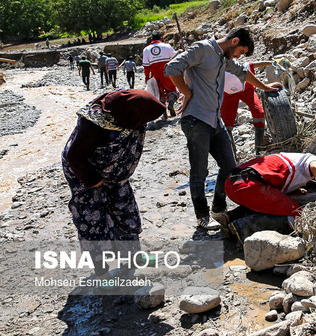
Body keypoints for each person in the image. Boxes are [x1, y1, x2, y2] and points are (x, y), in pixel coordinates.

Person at [165, 27, 281, 230]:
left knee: (230, 167)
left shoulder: (224, 58)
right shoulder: (202, 49)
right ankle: (202, 218)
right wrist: (186, 92)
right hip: (196, 119)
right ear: (234, 41)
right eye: (241, 52)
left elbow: (244, 72)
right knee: (199, 170)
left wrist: (266, 88)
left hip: (215, 120)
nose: (239, 56)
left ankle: (218, 209)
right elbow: (172, 67)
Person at [61, 89, 165, 279]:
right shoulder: (93, 123)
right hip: (82, 171)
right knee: (92, 217)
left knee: (125, 208)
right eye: (145, 118)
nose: (145, 124)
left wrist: (114, 175)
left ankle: (133, 256)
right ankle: (101, 271)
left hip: (114, 173)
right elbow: (74, 156)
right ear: (133, 114)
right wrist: (95, 181)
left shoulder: (126, 115)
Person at [223, 152, 316, 241]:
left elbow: (274, 180)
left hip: (232, 183)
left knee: (266, 204)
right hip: (250, 186)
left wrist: (294, 190)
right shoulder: (310, 159)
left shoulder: (288, 159)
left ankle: (231, 216)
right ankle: (243, 226)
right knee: (298, 215)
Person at [221, 60, 272, 156]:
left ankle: (259, 149)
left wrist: (272, 62)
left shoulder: (241, 67)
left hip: (246, 91)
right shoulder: (215, 71)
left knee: (259, 112)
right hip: (227, 95)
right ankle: (232, 154)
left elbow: (254, 64)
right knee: (226, 124)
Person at [143, 32, 178, 117]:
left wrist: (147, 77)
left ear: (151, 39)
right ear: (160, 39)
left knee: (159, 93)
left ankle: (163, 112)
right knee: (172, 89)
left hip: (155, 75)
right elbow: (176, 58)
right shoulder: (167, 46)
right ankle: (171, 103)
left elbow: (146, 66)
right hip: (168, 73)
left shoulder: (146, 49)